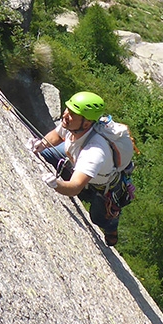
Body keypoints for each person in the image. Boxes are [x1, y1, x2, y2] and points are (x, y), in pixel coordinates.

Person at [27, 91, 122, 246]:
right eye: (67, 109)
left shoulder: (95, 151)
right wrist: (42, 143)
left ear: (86, 123)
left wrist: (56, 184)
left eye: (72, 113)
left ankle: (111, 228)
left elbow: (75, 187)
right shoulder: (73, 124)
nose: (65, 115)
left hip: (102, 187)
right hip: (76, 162)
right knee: (46, 152)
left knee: (98, 218)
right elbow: (57, 135)